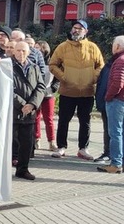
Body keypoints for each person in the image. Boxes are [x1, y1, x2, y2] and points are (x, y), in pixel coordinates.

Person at [49, 20, 104, 160]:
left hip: (87, 91)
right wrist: (63, 77)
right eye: (75, 27)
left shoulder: (93, 47)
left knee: (85, 121)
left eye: (80, 28)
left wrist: (93, 77)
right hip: (67, 90)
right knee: (63, 120)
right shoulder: (63, 47)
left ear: (86, 31)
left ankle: (83, 149)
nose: (76, 30)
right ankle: (61, 147)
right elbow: (53, 64)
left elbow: (101, 66)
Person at [11, 41, 44, 181]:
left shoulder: (34, 67)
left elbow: (41, 87)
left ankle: (22, 170)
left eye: (24, 51)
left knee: (27, 143)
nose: (21, 53)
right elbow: (6, 88)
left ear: (29, 52)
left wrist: (32, 104)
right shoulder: (8, 66)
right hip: (13, 112)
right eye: (18, 50)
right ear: (13, 51)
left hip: (29, 113)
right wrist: (23, 104)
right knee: (11, 143)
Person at [97, 36, 124, 175]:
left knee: (115, 133)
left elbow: (118, 82)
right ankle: (120, 161)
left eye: (113, 45)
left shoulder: (120, 60)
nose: (112, 47)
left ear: (118, 47)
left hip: (117, 101)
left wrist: (108, 96)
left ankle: (116, 163)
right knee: (121, 132)